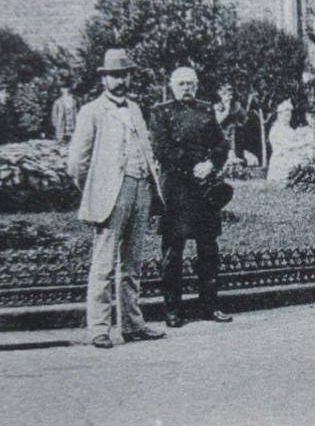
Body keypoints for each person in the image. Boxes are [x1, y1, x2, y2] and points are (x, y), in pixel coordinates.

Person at [69, 50, 164, 348]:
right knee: (104, 263)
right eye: (114, 75)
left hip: (140, 188)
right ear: (104, 78)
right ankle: (98, 328)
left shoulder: (135, 109)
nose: (120, 80)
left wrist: (149, 184)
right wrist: (95, 189)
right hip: (111, 193)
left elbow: (146, 149)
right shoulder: (92, 111)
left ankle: (133, 324)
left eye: (124, 74)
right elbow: (77, 163)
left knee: (133, 263)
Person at [150, 65, 233, 329]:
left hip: (204, 191)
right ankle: (173, 310)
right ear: (172, 86)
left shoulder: (206, 109)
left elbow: (221, 144)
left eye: (191, 84)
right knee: (173, 252)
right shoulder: (160, 113)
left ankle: (210, 306)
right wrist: (192, 167)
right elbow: (162, 149)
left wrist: (211, 164)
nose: (186, 88)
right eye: (181, 84)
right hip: (176, 190)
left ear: (197, 86)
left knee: (208, 250)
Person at [265, 98, 301, 182]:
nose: (287, 118)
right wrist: (302, 143)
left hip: (292, 154)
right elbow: (287, 146)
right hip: (281, 157)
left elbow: (296, 141)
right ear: (279, 115)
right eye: (285, 116)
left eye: (289, 116)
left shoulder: (290, 129)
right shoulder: (276, 130)